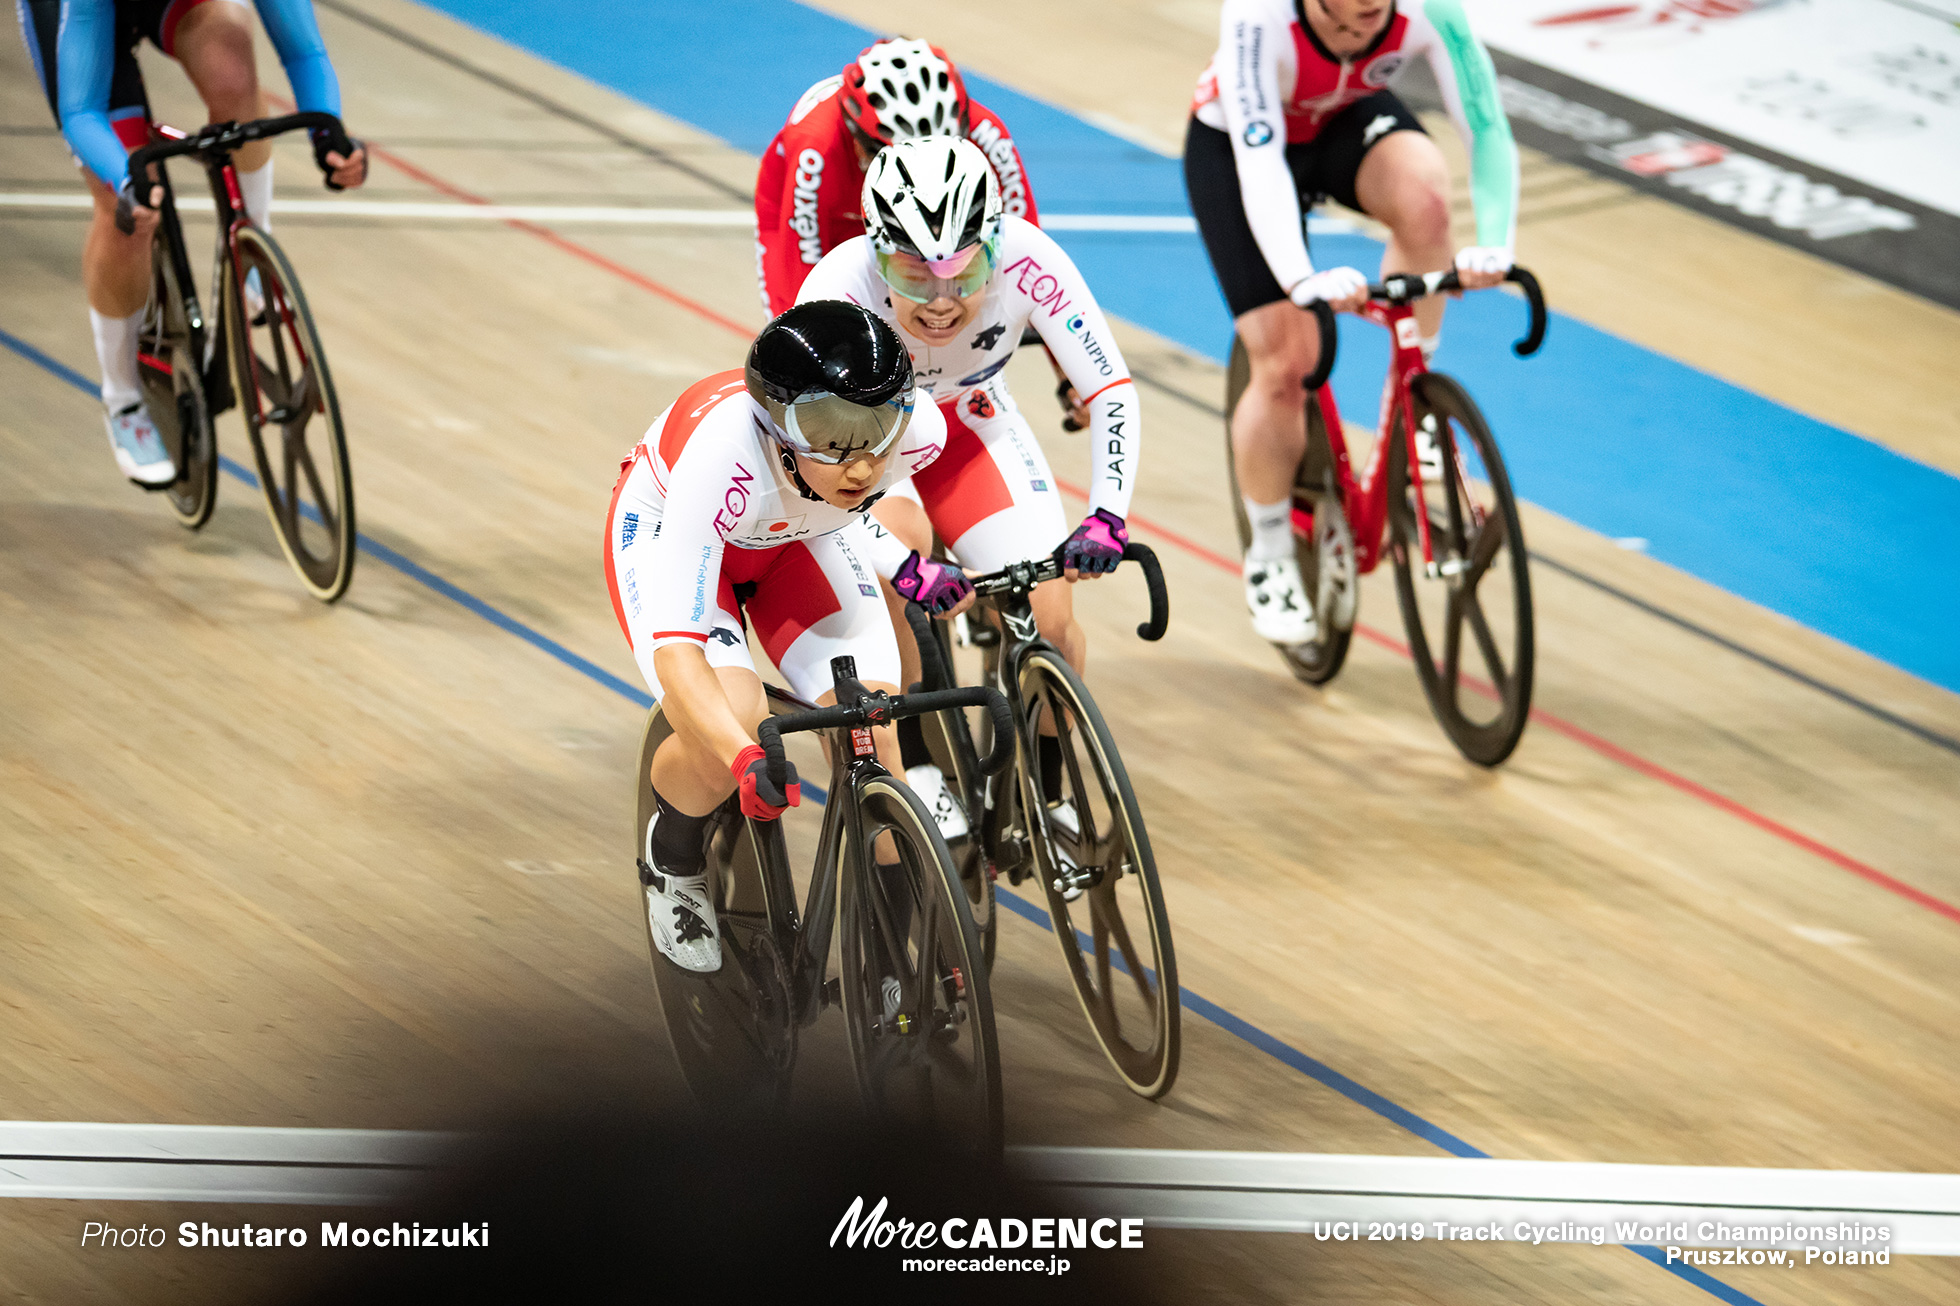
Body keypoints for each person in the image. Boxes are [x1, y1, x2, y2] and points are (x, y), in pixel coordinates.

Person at [605, 301, 969, 975]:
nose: (861, 461)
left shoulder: (918, 433)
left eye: (877, 428)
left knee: (874, 732)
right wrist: (742, 759)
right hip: (682, 534)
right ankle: (674, 853)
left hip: (799, 536)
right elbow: (677, 647)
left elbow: (850, 508)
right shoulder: (724, 460)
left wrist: (906, 567)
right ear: (776, 426)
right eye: (830, 433)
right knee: (732, 722)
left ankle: (893, 964)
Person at [796, 136, 1141, 829]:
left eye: (963, 272)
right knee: (900, 549)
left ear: (994, 245)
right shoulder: (835, 291)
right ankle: (918, 760)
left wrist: (1107, 514)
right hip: (873, 446)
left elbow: (1111, 391)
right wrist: (902, 566)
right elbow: (813, 474)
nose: (942, 301)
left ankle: (1046, 791)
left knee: (1048, 613)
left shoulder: (1030, 257)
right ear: (875, 253)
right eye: (914, 276)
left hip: (973, 423)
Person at [1182, 0, 1518, 645]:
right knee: (1284, 363)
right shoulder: (1257, 17)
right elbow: (1260, 161)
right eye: (1348, 10)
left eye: (1376, 9)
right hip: (1238, 148)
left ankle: (1413, 411)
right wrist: (1300, 279)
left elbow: (1487, 126)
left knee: (1427, 203)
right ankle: (1271, 548)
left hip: (1340, 122)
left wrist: (1496, 244)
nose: (1364, 20)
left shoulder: (1432, 10)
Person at [17, 0, 367, 486]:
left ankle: (250, 254)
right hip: (77, 18)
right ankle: (123, 400)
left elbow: (304, 53)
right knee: (129, 215)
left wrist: (329, 135)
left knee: (234, 73)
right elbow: (82, 110)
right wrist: (125, 179)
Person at [754, 36, 1037, 319]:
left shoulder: (985, 131)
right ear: (857, 135)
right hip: (830, 215)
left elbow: (1027, 242)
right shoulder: (816, 148)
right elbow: (803, 260)